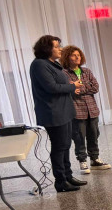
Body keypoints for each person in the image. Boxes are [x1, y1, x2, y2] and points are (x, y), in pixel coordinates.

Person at [29, 35, 88, 193]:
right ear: (47, 49)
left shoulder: (52, 64)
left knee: (66, 145)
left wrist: (70, 87)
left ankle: (68, 176)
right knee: (59, 147)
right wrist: (72, 86)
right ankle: (60, 182)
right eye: (56, 46)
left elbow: (59, 84)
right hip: (53, 113)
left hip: (64, 111)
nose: (60, 49)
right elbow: (51, 88)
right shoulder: (39, 65)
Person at [59, 45, 111, 174]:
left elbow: (96, 88)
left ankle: (95, 160)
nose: (77, 57)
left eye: (79, 55)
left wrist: (79, 88)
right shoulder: (63, 73)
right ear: (67, 57)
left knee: (94, 135)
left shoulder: (86, 71)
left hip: (92, 109)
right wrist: (80, 87)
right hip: (77, 110)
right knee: (79, 137)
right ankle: (82, 161)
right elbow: (70, 91)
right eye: (73, 55)